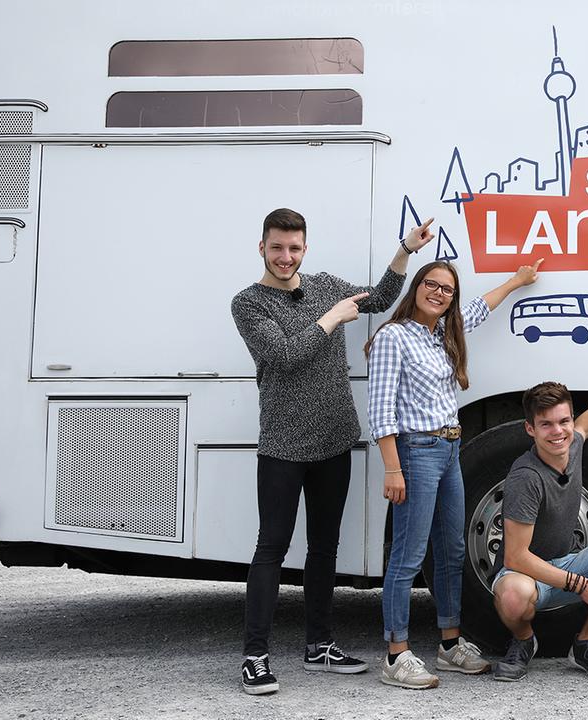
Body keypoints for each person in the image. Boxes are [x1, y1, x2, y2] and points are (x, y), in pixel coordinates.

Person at [230, 207, 430, 695]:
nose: (286, 256)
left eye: (294, 247)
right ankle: (255, 656)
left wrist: (404, 250)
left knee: (324, 548)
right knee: (271, 548)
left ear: (305, 248)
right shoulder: (248, 303)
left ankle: (319, 645)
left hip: (335, 439)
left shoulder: (324, 284)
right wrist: (333, 317)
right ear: (262, 247)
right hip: (282, 444)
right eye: (277, 247)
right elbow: (284, 356)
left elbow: (382, 297)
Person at [367, 257, 543, 689]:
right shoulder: (394, 337)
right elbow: (379, 409)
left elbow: (479, 308)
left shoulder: (443, 333)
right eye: (431, 285)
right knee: (408, 555)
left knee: (451, 552)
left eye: (447, 290)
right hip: (416, 451)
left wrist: (518, 280)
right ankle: (395, 654)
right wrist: (393, 468)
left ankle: (449, 645)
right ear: (416, 288)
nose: (438, 293)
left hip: (449, 449)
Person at [489, 343, 588, 682]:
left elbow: (586, 424)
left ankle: (586, 643)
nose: (558, 431)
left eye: (563, 421)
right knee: (512, 596)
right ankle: (523, 641)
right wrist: (582, 585)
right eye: (546, 425)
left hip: (563, 562)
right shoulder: (526, 477)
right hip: (526, 574)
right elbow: (516, 558)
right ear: (530, 429)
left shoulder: (571, 442)